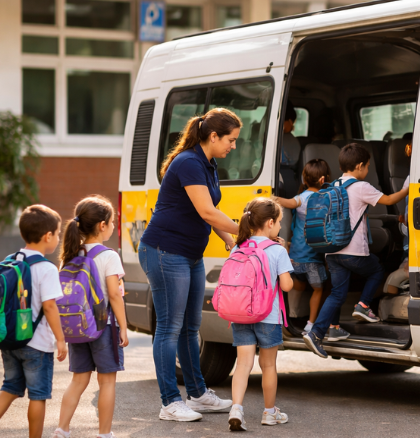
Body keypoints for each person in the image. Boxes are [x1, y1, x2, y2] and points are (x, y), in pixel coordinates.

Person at [138, 108, 242, 422]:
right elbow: (207, 211)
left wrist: (228, 237)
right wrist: (248, 230)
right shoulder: (189, 162)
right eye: (231, 140)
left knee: (190, 327)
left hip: (190, 255)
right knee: (169, 328)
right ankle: (170, 402)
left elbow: (206, 213)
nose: (233, 146)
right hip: (165, 251)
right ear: (213, 136)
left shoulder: (207, 164)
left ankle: (197, 395)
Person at [302, 144, 409, 358]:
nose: (367, 170)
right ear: (359, 166)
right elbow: (388, 200)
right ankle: (363, 305)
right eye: (367, 166)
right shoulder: (361, 186)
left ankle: (316, 333)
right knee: (378, 271)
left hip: (332, 251)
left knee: (337, 294)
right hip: (353, 251)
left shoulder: (333, 185)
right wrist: (407, 189)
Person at [0, 205, 67, 438]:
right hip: (37, 345)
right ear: (48, 236)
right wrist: (61, 339)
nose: (58, 238)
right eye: (57, 234)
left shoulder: (10, 260)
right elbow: (50, 306)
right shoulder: (47, 268)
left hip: (10, 340)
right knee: (38, 394)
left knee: (10, 386)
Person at [53, 195, 128, 438]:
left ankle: (61, 429)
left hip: (77, 328)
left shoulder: (70, 253)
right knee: (106, 383)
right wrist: (124, 328)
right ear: (102, 226)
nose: (114, 227)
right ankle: (104, 434)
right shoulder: (109, 256)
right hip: (103, 326)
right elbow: (115, 296)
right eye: (112, 222)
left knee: (78, 381)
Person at [227, 198, 294, 431]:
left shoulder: (238, 247)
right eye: (279, 223)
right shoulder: (277, 250)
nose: (280, 228)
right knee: (268, 366)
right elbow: (286, 286)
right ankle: (269, 412)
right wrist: (284, 254)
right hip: (268, 316)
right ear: (270, 223)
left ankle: (236, 408)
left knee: (243, 364)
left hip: (241, 314)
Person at [275, 159, 346, 339]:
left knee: (298, 282)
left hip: (296, 257)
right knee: (319, 289)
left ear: (304, 179)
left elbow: (287, 203)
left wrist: (271, 197)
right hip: (314, 259)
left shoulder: (301, 198)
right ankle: (310, 323)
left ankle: (289, 316)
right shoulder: (325, 199)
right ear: (324, 180)